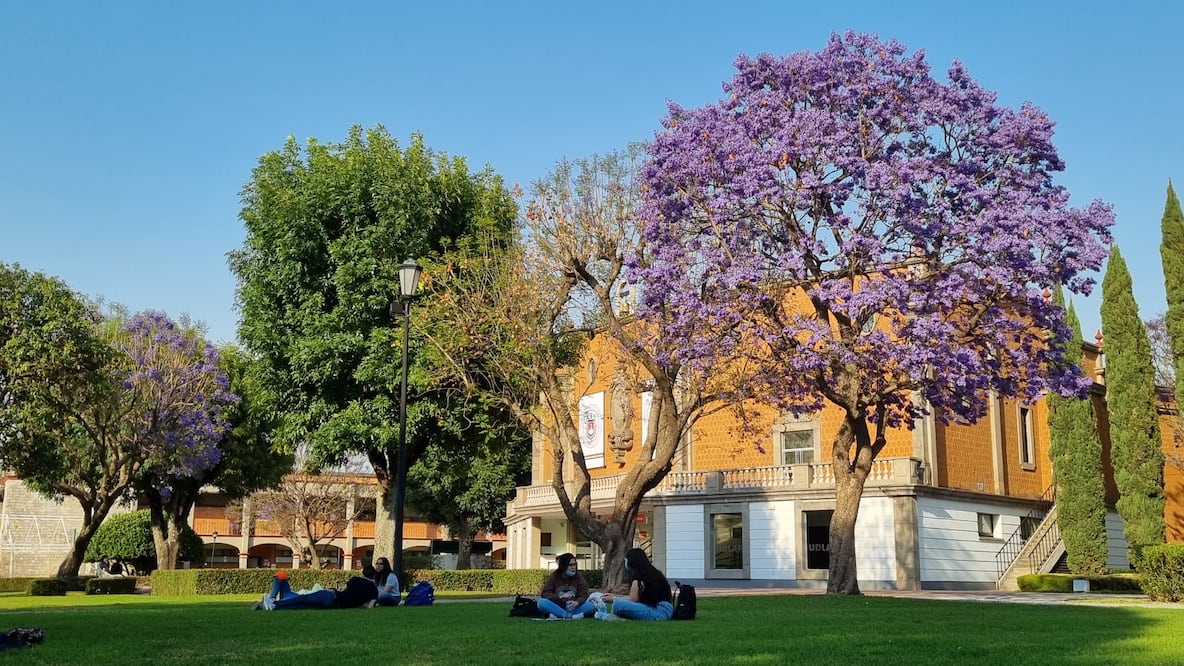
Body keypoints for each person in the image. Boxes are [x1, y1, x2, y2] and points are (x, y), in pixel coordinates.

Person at [597, 548, 673, 621]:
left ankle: (611, 616)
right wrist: (614, 596)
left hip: (657, 612)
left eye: (626, 560)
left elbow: (633, 599)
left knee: (618, 605)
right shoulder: (654, 574)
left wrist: (614, 599)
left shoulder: (638, 579)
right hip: (665, 610)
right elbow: (633, 597)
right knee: (620, 603)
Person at [254, 570, 378, 610]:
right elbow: (369, 607)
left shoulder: (356, 580)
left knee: (302, 599)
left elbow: (343, 590)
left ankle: (273, 603)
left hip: (332, 596)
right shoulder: (374, 591)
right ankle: (273, 604)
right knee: (302, 604)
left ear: (364, 575)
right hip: (335, 605)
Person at [538, 553, 595, 620]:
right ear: (563, 566)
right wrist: (559, 597)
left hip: (573, 607)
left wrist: (577, 602)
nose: (573, 567)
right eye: (570, 565)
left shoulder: (578, 576)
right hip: (557, 606)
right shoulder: (554, 576)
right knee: (541, 602)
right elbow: (545, 593)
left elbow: (584, 593)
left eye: (575, 564)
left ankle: (563, 615)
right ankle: (567, 615)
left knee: (591, 606)